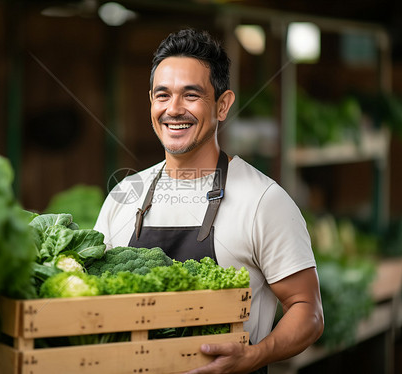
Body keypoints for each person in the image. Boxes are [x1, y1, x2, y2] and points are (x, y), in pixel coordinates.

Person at [94, 28, 324, 374]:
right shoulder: (125, 195)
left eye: (191, 95)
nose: (173, 109)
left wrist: (254, 356)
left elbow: (308, 310)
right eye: (162, 95)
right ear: (151, 104)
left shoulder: (263, 200)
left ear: (222, 105)